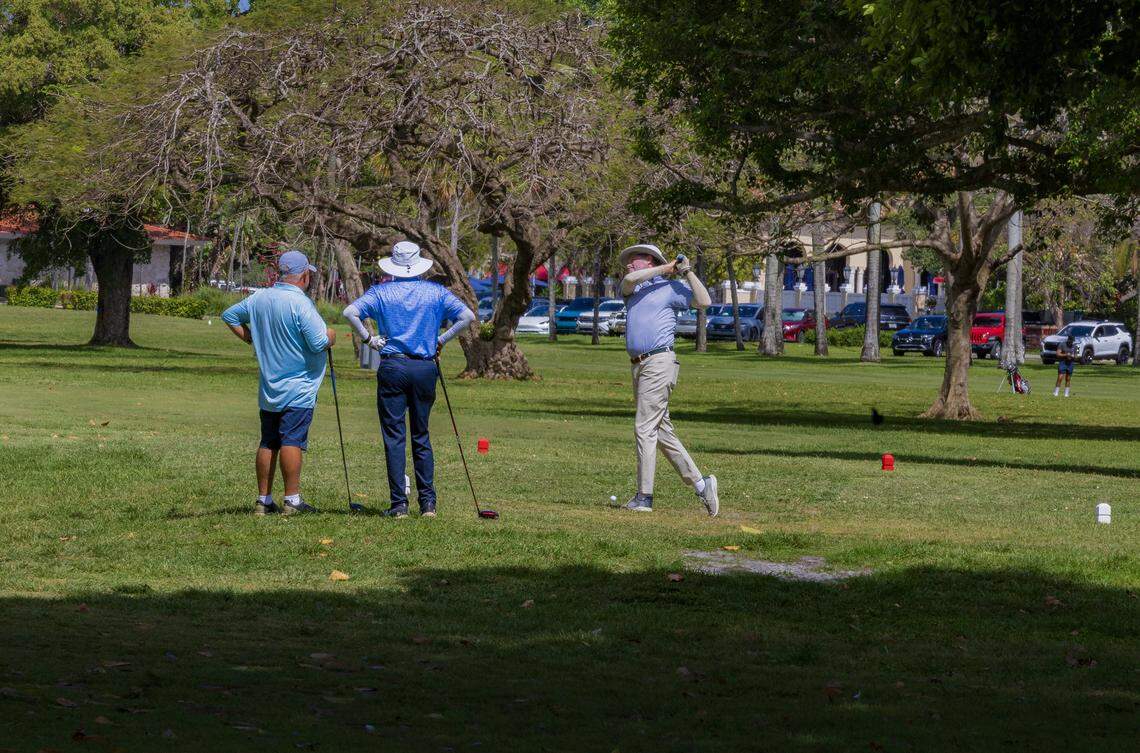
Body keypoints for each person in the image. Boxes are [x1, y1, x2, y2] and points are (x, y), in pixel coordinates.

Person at [343, 241, 475, 518]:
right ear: (418, 266)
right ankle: (428, 503)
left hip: (392, 366)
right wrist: (441, 340)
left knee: (394, 437)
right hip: (424, 367)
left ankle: (398, 505)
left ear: (393, 265)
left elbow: (350, 312)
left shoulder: (381, 292)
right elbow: (467, 316)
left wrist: (369, 339)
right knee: (421, 434)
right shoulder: (436, 292)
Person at [221, 250, 336, 515]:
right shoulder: (301, 303)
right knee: (292, 440)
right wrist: (330, 336)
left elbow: (229, 315)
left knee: (268, 441)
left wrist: (250, 337)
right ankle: (292, 500)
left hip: (270, 386)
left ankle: (263, 500)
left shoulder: (258, 298)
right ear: (304, 275)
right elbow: (318, 342)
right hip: (299, 387)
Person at [618, 243, 719, 516]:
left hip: (659, 362)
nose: (628, 264)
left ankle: (644, 497)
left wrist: (686, 272)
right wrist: (667, 267)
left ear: (648, 261)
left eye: (634, 259)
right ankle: (701, 484)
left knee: (644, 428)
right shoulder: (633, 288)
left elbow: (704, 301)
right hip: (638, 365)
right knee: (661, 431)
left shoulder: (670, 289)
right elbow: (628, 280)